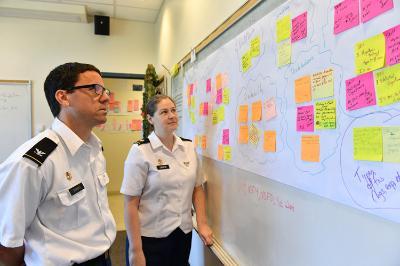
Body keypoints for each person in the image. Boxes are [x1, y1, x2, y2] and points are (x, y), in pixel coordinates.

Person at [0, 62, 117, 266]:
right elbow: (9, 242)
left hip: (103, 258)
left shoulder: (95, 148)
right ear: (63, 97)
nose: (106, 97)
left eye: (104, 90)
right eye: (94, 89)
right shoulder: (32, 163)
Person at [121, 94, 213, 266]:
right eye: (164, 112)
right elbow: (130, 204)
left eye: (173, 110)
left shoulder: (188, 147)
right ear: (150, 118)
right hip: (150, 238)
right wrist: (135, 250)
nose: (171, 115)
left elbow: (197, 188)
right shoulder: (140, 151)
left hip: (182, 233)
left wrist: (202, 223)